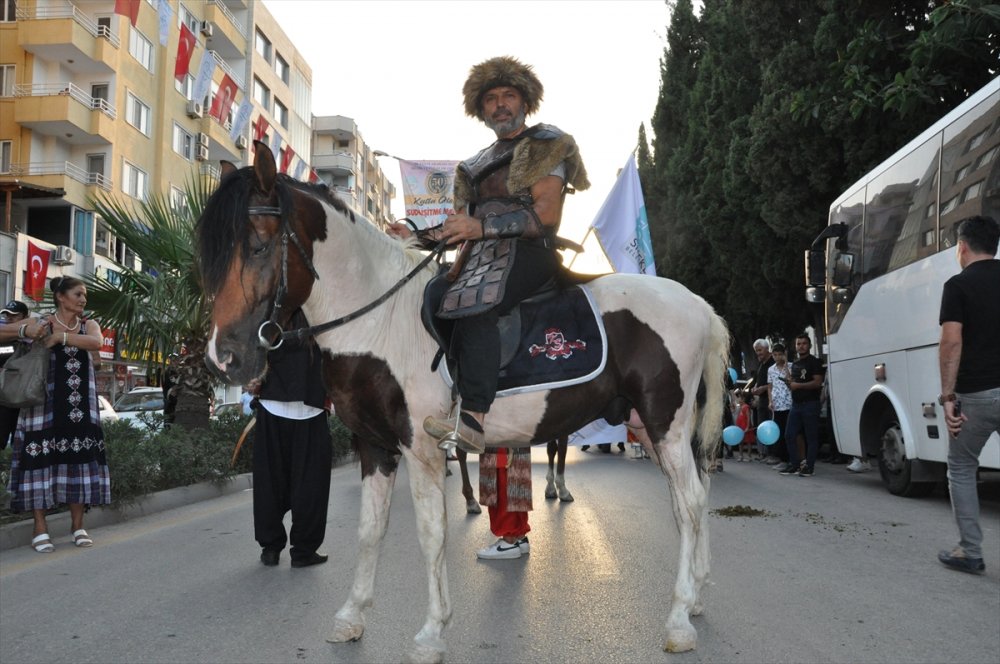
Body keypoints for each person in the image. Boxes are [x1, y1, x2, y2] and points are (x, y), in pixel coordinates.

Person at [390, 55, 589, 454]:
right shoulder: (473, 165)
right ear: (480, 110)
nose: (500, 104)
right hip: (481, 256)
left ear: (524, 101)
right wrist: (414, 236)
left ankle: (474, 420)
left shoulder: (548, 143)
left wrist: (480, 227)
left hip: (533, 252)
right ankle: (457, 388)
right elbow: (458, 223)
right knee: (433, 296)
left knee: (474, 298)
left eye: (509, 96)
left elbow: (545, 216)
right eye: (492, 98)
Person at [7, 277, 110, 552]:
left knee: (79, 461)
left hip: (80, 409)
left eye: (84, 295)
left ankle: (78, 526)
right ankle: (39, 528)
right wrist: (26, 332)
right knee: (39, 461)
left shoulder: (89, 325)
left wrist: (61, 338)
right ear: (61, 297)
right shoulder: (42, 321)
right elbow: (3, 332)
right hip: (43, 406)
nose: (83, 299)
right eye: (78, 294)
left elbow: (97, 342)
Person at [937, 215, 1000, 575]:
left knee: (961, 467)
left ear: (962, 247)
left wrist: (948, 397)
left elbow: (951, 342)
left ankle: (970, 551)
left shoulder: (958, 285)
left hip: (975, 395)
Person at [251, 309, 332, 568]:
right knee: (311, 486)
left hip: (273, 405)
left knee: (269, 483)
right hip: (311, 404)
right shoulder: (320, 310)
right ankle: (303, 551)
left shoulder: (269, 311)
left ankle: (271, 548)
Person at [779, 334, 825, 477]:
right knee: (789, 435)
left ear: (809, 346)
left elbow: (817, 382)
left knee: (811, 437)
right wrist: (790, 383)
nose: (801, 346)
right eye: (798, 344)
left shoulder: (815, 362)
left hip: (811, 404)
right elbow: (794, 383)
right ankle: (794, 464)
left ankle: (809, 467)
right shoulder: (796, 364)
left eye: (804, 343)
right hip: (797, 404)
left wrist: (797, 385)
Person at [0, 300, 31, 450]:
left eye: (14, 315)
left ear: (25, 317)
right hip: (4, 399)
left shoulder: (33, 341)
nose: (9, 318)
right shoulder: (2, 338)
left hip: (26, 400)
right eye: (6, 315)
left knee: (20, 446)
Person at [766, 343, 792, 468]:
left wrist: (786, 364)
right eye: (775, 355)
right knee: (780, 433)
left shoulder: (791, 366)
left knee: (790, 432)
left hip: (789, 404)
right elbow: (770, 386)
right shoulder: (771, 369)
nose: (777, 357)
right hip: (777, 404)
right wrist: (770, 401)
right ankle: (783, 459)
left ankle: (792, 458)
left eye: (780, 354)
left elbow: (790, 380)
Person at [748, 339, 774, 460]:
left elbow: (775, 382)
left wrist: (763, 388)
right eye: (756, 351)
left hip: (771, 401)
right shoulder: (761, 364)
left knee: (770, 427)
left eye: (760, 350)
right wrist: (755, 389)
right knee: (761, 427)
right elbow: (758, 381)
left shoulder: (773, 362)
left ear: (767, 349)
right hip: (761, 401)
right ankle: (763, 453)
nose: (758, 353)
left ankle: (772, 454)